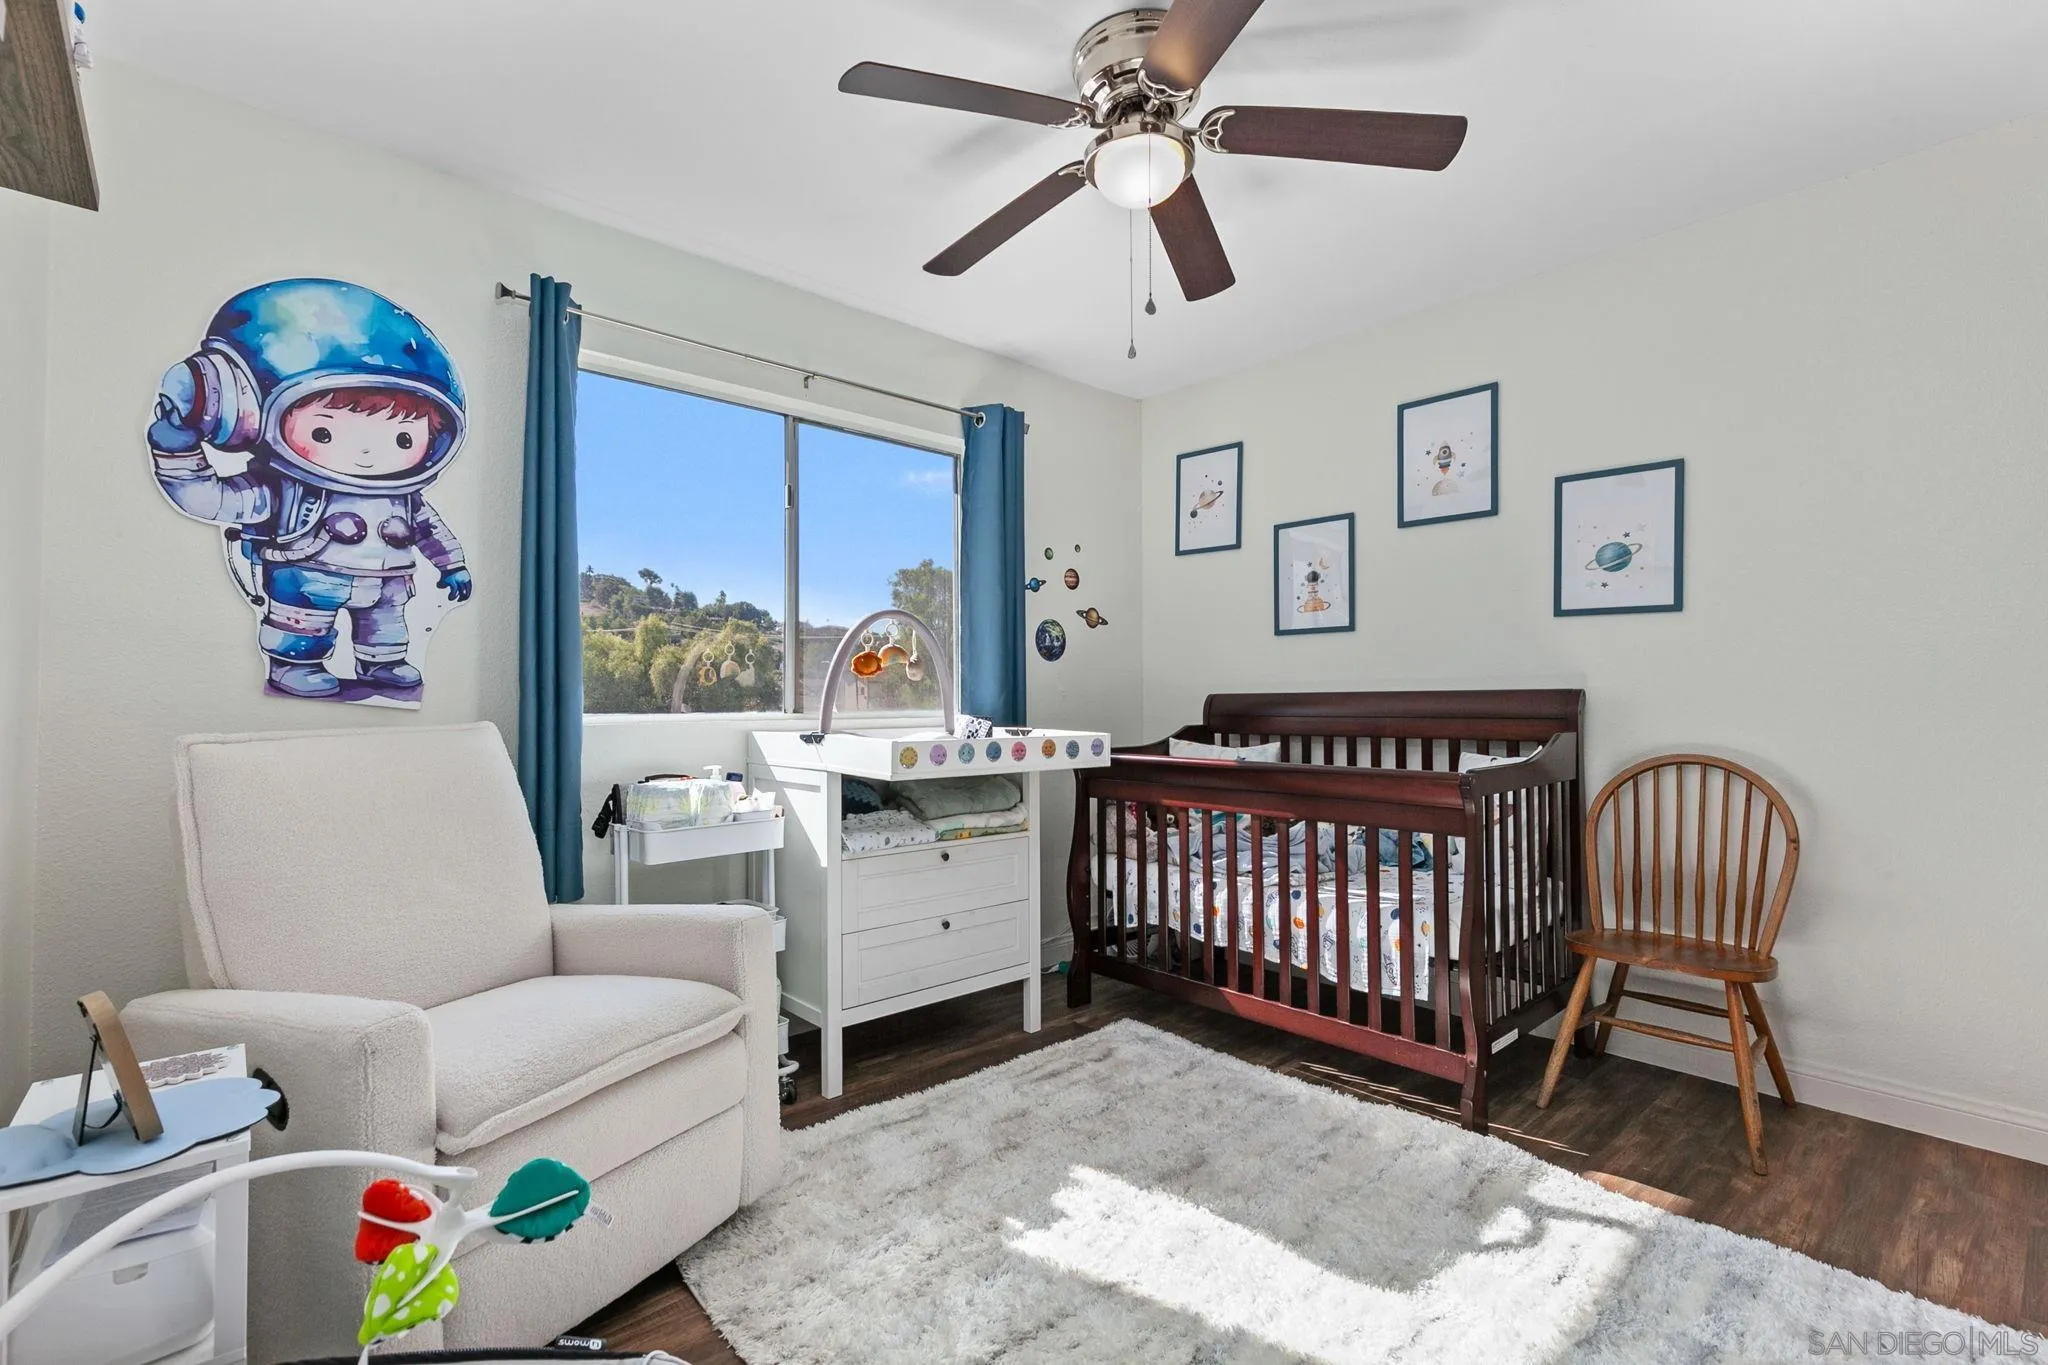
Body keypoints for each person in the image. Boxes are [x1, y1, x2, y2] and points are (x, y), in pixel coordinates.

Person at [148, 279, 471, 699]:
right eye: (324, 431)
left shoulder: (405, 498)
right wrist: (177, 451)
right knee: (299, 623)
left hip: (389, 581)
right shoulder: (288, 491)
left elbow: (431, 531)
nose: (368, 453)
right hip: (307, 576)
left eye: (403, 439)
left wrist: (451, 564)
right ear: (248, 413)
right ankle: (295, 664)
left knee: (386, 624)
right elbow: (213, 499)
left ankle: (383, 661)